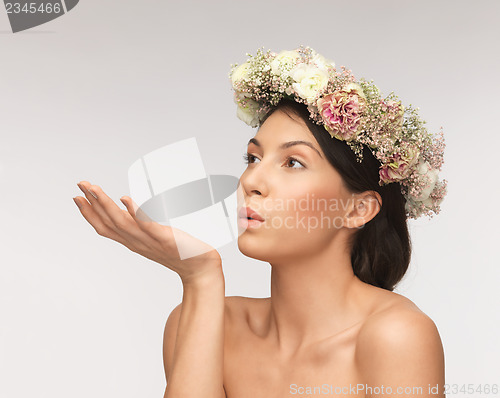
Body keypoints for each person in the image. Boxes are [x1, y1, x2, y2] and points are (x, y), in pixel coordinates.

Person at [73, 46, 447, 398]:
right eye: (253, 158)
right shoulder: (206, 324)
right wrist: (200, 279)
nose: (250, 181)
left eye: (293, 163)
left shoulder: (397, 337)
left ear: (358, 210)